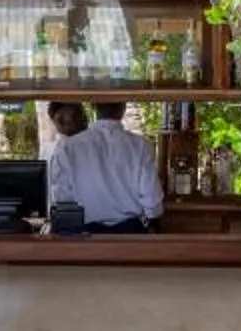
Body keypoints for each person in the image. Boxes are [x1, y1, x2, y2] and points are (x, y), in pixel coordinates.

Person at [46, 100, 163, 233]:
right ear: (123, 107)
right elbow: (152, 202)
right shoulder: (140, 145)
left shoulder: (67, 148)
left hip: (84, 237)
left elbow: (62, 200)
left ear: (92, 106)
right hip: (129, 236)